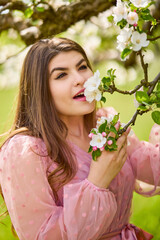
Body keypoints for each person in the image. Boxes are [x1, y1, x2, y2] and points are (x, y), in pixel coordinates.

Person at [0, 37, 159, 240]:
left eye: (82, 67)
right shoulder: (26, 151)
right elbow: (43, 236)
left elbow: (153, 166)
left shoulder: (106, 124)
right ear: (40, 89)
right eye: (61, 75)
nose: (80, 79)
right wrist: (97, 181)